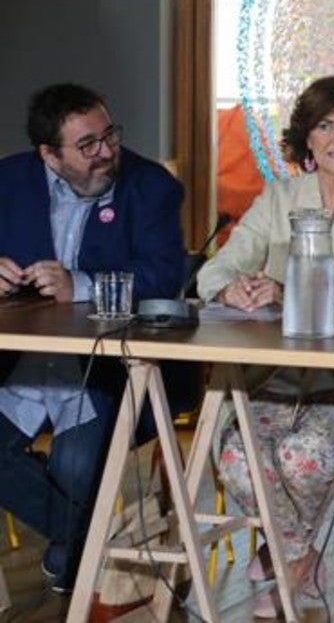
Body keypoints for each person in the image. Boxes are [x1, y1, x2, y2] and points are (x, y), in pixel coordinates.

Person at [196, 75, 334, 617]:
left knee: (303, 456)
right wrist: (231, 286)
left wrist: (291, 291)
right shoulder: (278, 199)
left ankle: (281, 557)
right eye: (326, 126)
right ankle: (299, 557)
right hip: (274, 374)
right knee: (238, 455)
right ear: (307, 138)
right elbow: (218, 266)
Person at [0, 83, 184, 591]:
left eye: (109, 135)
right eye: (87, 145)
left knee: (76, 465)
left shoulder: (151, 187)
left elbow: (165, 276)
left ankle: (76, 552)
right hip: (20, 365)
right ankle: (88, 545)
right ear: (49, 155)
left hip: (101, 372)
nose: (106, 152)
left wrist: (79, 285)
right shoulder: (8, 181)